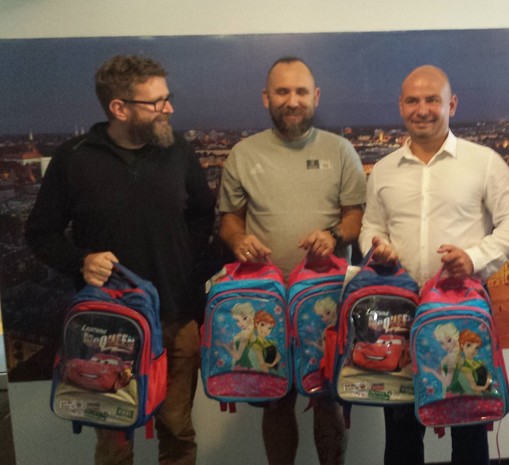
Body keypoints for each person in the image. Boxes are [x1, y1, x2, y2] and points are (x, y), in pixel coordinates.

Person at [25, 55, 216, 465]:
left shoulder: (178, 151)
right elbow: (39, 233)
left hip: (177, 316)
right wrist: (80, 261)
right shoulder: (74, 158)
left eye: (167, 97)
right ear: (119, 108)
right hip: (106, 326)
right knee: (114, 439)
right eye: (156, 102)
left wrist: (184, 261)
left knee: (178, 430)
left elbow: (203, 214)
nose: (169, 108)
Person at [359, 65, 509, 465]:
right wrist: (376, 247)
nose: (422, 109)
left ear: (451, 104)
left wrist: (474, 258)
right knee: (400, 429)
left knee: (468, 422)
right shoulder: (383, 170)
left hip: (462, 307)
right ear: (400, 106)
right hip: (399, 312)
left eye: (432, 100)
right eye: (413, 101)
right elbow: (372, 225)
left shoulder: (483, 161)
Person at [217, 56, 366, 465]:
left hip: (326, 300)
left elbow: (355, 217)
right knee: (275, 398)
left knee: (326, 397)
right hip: (266, 301)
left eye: (301, 91)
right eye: (282, 92)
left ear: (315, 96)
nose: (292, 100)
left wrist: (332, 236)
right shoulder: (243, 154)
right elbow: (229, 219)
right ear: (266, 98)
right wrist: (238, 240)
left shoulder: (341, 150)